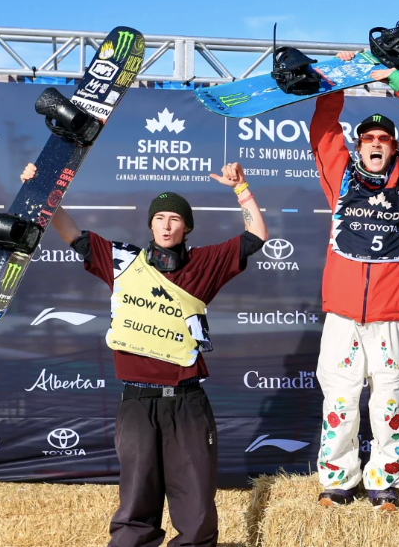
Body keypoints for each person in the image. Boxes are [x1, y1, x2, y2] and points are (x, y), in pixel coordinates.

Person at [21, 162, 268, 547]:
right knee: (137, 501)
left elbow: (255, 235)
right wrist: (42, 190)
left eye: (175, 219)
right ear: (150, 226)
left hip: (187, 402)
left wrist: (241, 189)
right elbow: (71, 232)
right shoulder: (122, 261)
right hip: (137, 402)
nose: (167, 226)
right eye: (159, 218)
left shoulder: (204, 264)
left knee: (196, 507)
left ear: (187, 227)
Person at [310, 51, 399, 510]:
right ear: (358, 145)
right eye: (366, 137)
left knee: (389, 405)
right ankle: (336, 481)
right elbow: (324, 131)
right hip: (343, 317)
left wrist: (398, 83)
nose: (374, 142)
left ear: (393, 146)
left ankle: (384, 483)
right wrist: (338, 80)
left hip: (390, 318)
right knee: (340, 403)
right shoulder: (340, 178)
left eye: (382, 138)